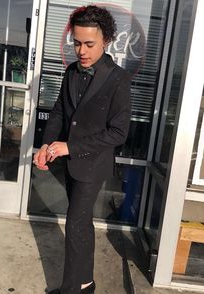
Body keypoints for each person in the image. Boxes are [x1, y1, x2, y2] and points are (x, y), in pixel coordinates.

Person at [33, 5, 131, 294]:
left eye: (89, 44)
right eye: (77, 43)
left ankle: (70, 290)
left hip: (92, 166)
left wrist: (69, 146)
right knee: (82, 223)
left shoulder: (118, 79)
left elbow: (118, 133)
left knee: (75, 228)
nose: (82, 51)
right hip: (70, 164)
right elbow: (59, 114)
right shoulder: (71, 71)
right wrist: (46, 145)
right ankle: (86, 283)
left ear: (106, 41)